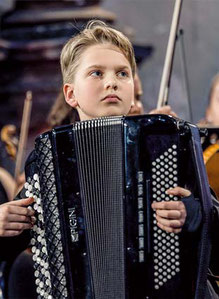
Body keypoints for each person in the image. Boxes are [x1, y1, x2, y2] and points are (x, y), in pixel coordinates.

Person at [0, 20, 216, 298]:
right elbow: (13, 246)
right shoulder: (50, 163)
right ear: (70, 94)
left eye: (122, 73)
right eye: (96, 73)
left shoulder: (169, 143)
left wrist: (195, 213)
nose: (112, 81)